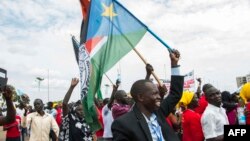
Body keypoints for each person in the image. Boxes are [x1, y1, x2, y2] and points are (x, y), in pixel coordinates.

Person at [111, 49, 184, 141]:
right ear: (141, 97)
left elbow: (175, 94)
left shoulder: (159, 112)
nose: (159, 97)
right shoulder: (123, 124)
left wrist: (174, 64)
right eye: (155, 93)